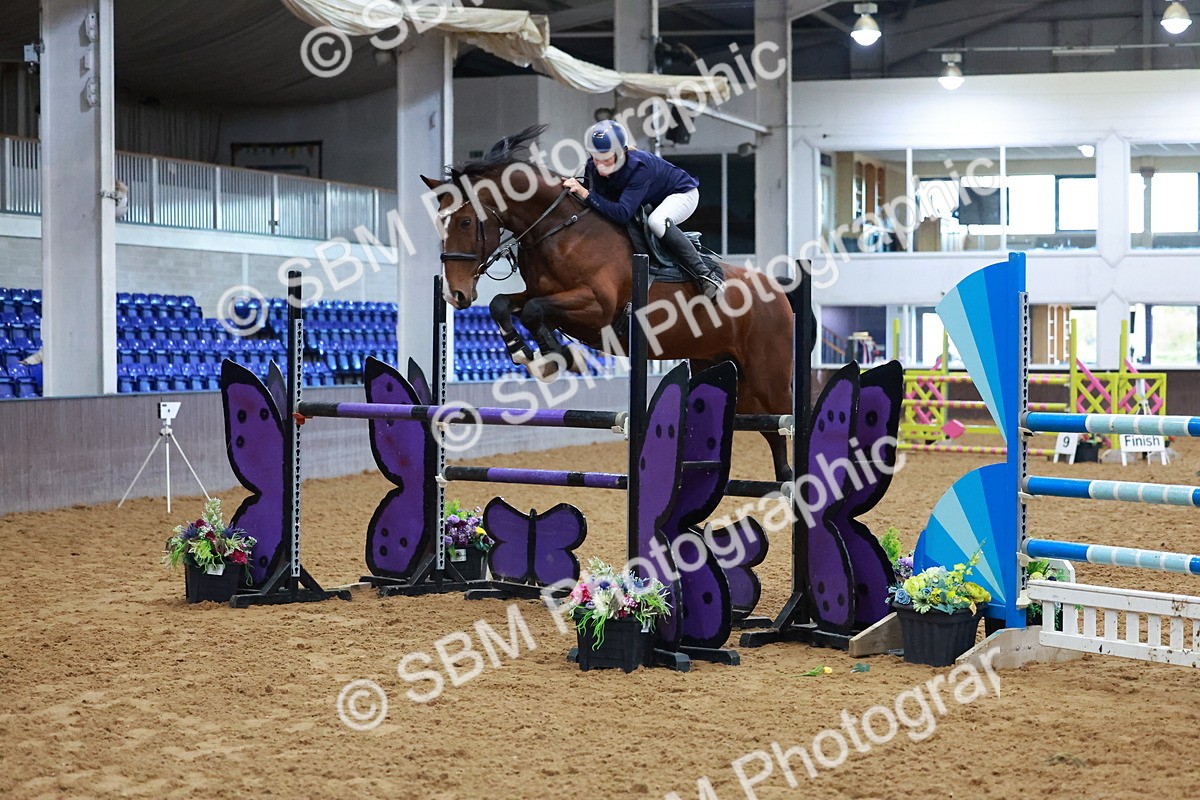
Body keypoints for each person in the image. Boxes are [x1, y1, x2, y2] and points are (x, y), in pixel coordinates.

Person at [562, 120, 724, 299]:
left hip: (682, 194)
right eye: (595, 157)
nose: (599, 165)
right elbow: (595, 206)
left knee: (656, 221)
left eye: (606, 158)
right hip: (650, 199)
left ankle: (706, 275)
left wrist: (585, 193)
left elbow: (622, 214)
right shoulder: (592, 167)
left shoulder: (639, 169)